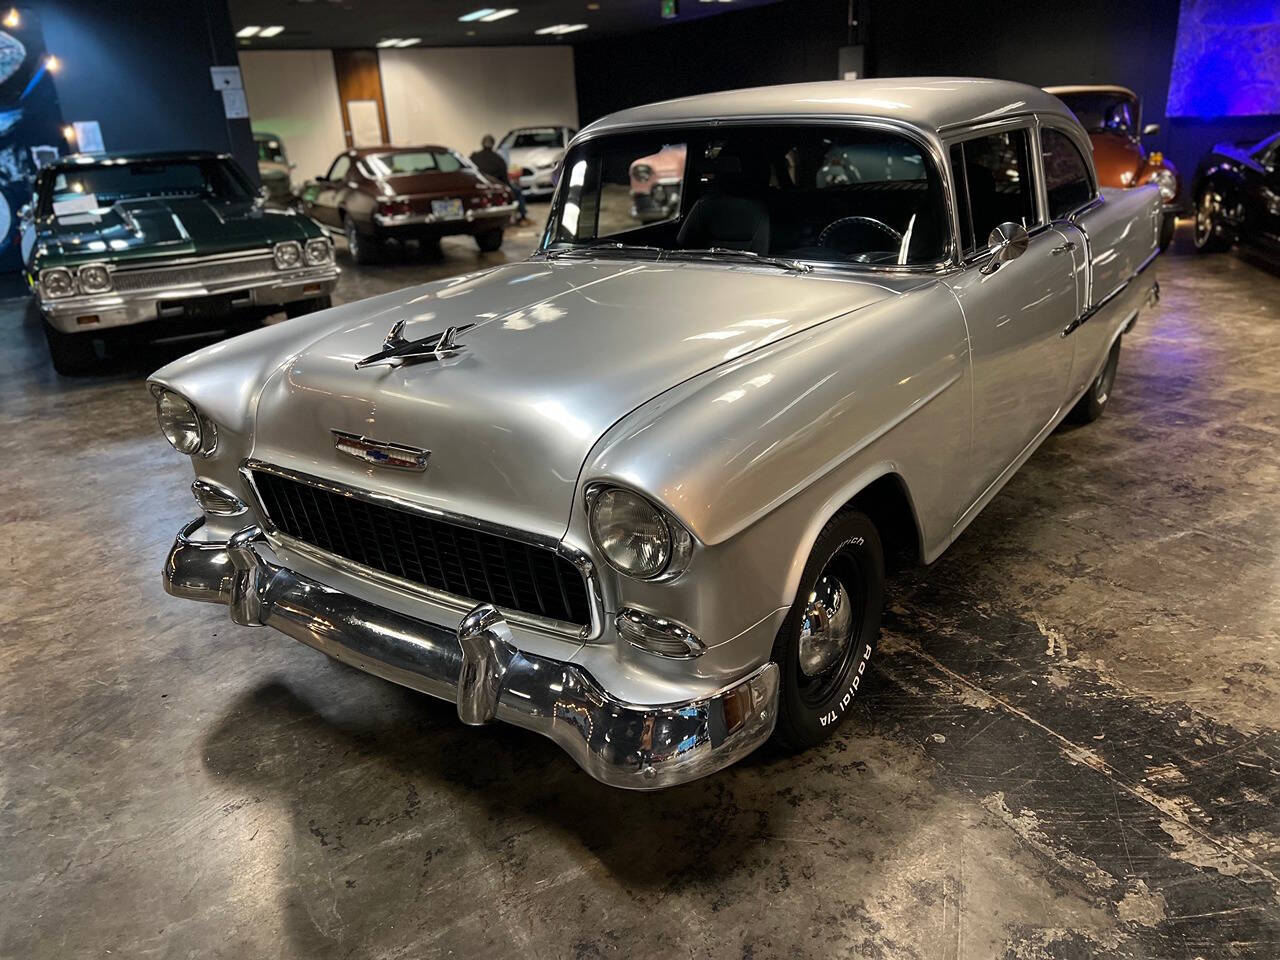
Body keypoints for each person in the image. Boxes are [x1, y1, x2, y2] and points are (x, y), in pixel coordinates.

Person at [471, 134, 528, 225]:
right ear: (493, 144)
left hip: (478, 188)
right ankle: (523, 216)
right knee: (517, 191)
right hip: (497, 189)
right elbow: (505, 179)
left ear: (482, 143)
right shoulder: (498, 159)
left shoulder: (474, 157)